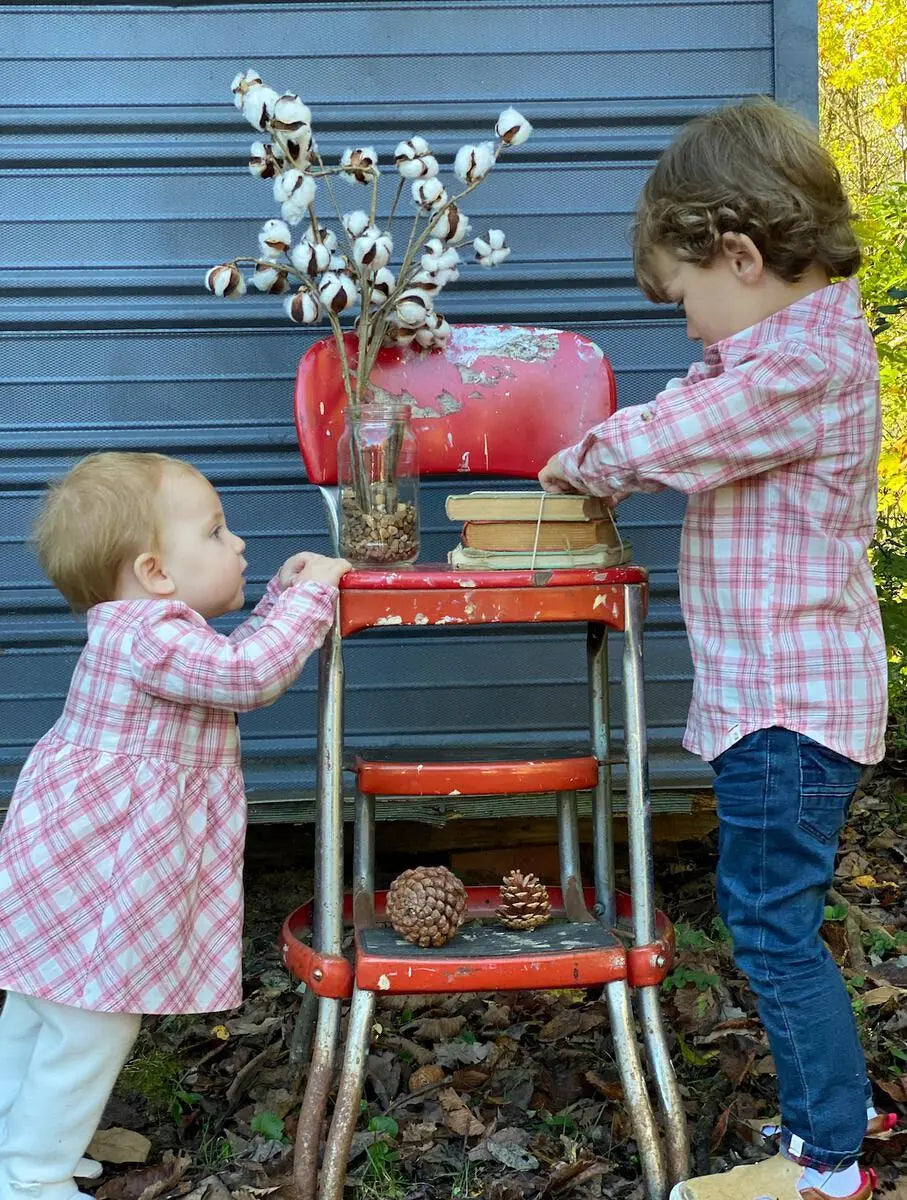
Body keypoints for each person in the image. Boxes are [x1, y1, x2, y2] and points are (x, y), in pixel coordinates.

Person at [539, 99, 889, 1200]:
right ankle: (840, 1098)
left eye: (689, 300)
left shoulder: (801, 367)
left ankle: (825, 1164)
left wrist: (580, 460)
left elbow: (681, 433)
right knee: (781, 920)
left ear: (739, 255)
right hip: (781, 699)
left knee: (770, 931)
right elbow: (704, 395)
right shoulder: (787, 348)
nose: (687, 328)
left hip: (788, 708)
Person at [0, 451, 350, 1199]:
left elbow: (220, 667)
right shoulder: (148, 631)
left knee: (42, 1002)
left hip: (79, 853)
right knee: (93, 1019)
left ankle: (14, 1139)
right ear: (157, 571)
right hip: (99, 863)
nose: (241, 546)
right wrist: (311, 602)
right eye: (217, 532)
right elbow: (248, 677)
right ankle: (31, 1174)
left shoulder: (149, 630)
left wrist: (269, 609)